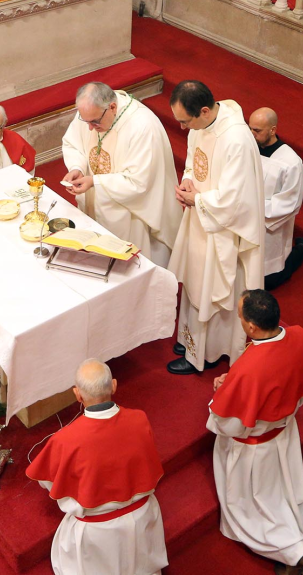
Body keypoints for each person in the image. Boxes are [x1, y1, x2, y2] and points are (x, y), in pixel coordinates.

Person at [207, 290, 303, 574]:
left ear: (251, 327)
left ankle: (293, 553)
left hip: (254, 449)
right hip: (285, 430)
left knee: (255, 505)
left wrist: (222, 393)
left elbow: (226, 424)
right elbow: (292, 380)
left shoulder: (249, 369)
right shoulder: (300, 336)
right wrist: (234, 383)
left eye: (240, 317)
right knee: (291, 487)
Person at [26, 359, 167, 575]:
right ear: (114, 386)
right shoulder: (140, 419)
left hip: (97, 533)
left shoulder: (65, 440)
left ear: (77, 395)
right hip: (142, 519)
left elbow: (49, 483)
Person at [166, 81, 264, 376]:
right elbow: (194, 162)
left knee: (212, 289)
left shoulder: (236, 140)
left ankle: (207, 354)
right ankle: (189, 341)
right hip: (202, 218)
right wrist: (187, 179)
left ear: (205, 111)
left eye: (185, 121)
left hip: (223, 230)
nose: (182, 128)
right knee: (195, 283)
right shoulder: (201, 126)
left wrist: (197, 199)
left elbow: (236, 199)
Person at [61, 82, 180, 268]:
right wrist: (78, 167)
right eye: (86, 122)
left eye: (95, 122)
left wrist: (95, 181)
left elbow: (139, 182)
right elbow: (73, 143)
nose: (90, 128)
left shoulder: (143, 126)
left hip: (131, 213)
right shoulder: (91, 112)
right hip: (96, 203)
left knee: (129, 267)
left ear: (112, 107)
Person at [248, 108, 303, 291]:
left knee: (270, 280)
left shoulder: (291, 163)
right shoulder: (247, 148)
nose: (251, 134)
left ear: (272, 130)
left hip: (267, 225)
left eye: (257, 130)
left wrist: (252, 207)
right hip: (243, 218)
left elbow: (290, 203)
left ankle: (302, 248)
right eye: (250, 128)